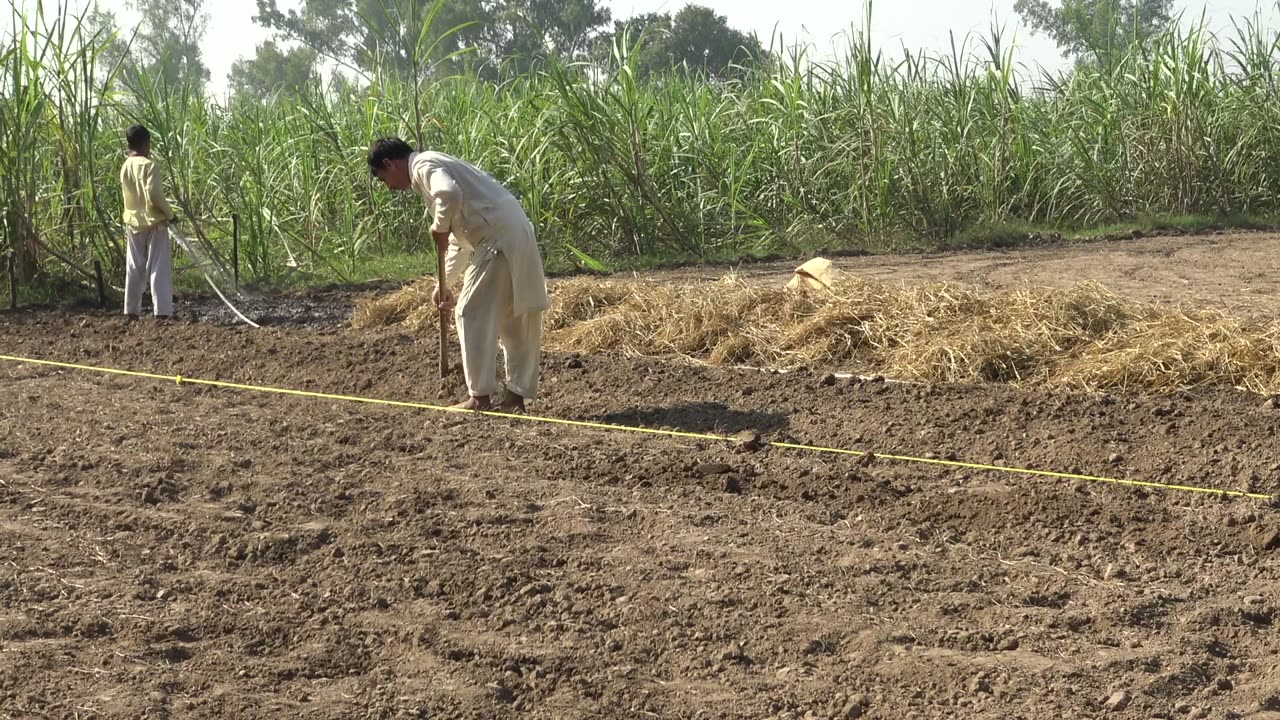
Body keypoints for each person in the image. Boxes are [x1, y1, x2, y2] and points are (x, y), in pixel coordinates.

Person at [368, 137, 550, 412]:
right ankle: (515, 398)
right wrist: (446, 283)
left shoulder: (424, 165)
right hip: (513, 233)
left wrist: (439, 225)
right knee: (513, 317)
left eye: (385, 180)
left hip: (497, 239)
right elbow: (458, 240)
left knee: (469, 312)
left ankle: (479, 397)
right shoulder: (437, 165)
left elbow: (448, 195)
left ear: (389, 164)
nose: (391, 188)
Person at [119, 124, 176, 320]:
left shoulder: (125, 166)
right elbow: (154, 196)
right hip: (154, 223)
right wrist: (170, 214)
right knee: (158, 267)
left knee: (134, 267)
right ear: (146, 144)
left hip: (134, 223)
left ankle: (131, 310)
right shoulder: (149, 166)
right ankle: (162, 312)